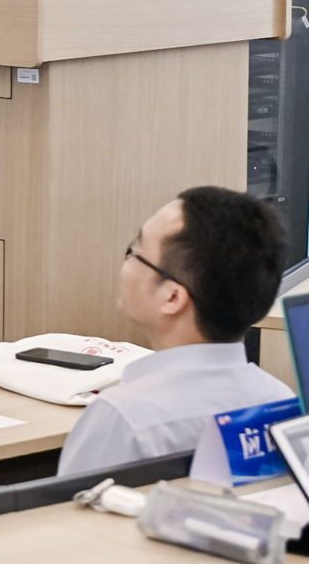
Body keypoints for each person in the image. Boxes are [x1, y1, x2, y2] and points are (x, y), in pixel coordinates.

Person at [57, 187, 295, 476]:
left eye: (135, 252)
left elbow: (71, 506)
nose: (126, 262)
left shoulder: (123, 418)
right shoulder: (281, 401)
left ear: (172, 297)